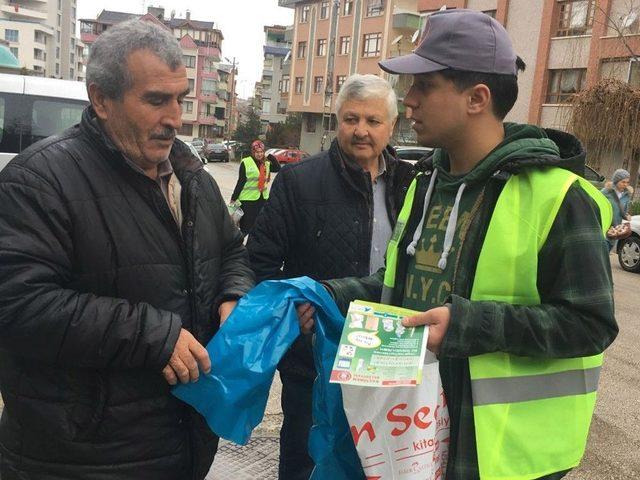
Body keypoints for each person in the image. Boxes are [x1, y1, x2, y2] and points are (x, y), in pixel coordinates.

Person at [298, 10, 618, 480]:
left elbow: (590, 325)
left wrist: (469, 323)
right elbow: (399, 288)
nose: (408, 102)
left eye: (424, 86)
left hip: (502, 457)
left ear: (477, 98)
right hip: (413, 436)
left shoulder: (557, 197)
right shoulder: (426, 183)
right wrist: (331, 293)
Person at [0, 20, 254, 480]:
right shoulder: (38, 181)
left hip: (182, 442)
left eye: (180, 98)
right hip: (80, 458)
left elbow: (233, 250)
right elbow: (18, 305)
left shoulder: (192, 178)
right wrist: (153, 336)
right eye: (156, 100)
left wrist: (233, 295)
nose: (174, 117)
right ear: (101, 99)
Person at [247, 74, 416, 479]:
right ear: (336, 121)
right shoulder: (298, 182)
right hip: (314, 360)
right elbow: (260, 264)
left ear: (391, 126)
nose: (361, 131)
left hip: (388, 354)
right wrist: (294, 314)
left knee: (379, 463)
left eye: (373, 121)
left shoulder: (413, 185)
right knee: (307, 461)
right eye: (350, 119)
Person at [230, 140, 279, 235]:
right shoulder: (246, 162)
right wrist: (234, 198)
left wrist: (270, 156)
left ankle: (253, 247)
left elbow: (277, 168)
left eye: (261, 152)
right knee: (246, 227)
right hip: (247, 200)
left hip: (262, 199)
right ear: (253, 152)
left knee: (259, 226)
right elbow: (241, 181)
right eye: (257, 152)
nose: (259, 154)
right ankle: (239, 247)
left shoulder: (266, 163)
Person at [601, 168, 633, 250]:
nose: (625, 184)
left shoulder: (627, 195)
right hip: (603, 229)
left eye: (627, 182)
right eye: (623, 182)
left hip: (615, 231)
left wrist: (627, 216)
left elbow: (624, 212)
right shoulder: (605, 192)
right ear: (616, 181)